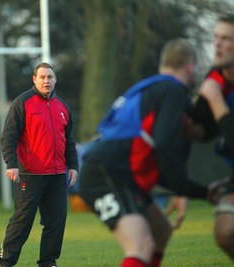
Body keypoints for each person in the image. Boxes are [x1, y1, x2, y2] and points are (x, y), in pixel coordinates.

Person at [78, 39, 221, 267]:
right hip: (106, 174)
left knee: (160, 231)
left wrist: (196, 191)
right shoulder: (173, 91)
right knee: (141, 244)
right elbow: (165, 145)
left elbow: (155, 152)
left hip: (114, 173)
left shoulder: (151, 87)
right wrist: (184, 185)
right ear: (190, 67)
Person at [0, 62, 78, 267]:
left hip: (58, 175)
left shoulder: (63, 107)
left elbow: (69, 140)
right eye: (42, 77)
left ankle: (48, 262)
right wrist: (11, 164)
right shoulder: (22, 103)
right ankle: (5, 262)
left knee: (56, 222)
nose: (46, 81)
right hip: (30, 174)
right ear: (34, 79)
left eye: (50, 77)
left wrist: (73, 165)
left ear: (55, 79)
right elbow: (8, 136)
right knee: (22, 222)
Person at [191, 14, 234, 260]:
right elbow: (206, 129)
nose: (217, 44)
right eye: (216, 37)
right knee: (226, 230)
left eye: (226, 39)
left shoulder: (216, 89)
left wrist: (216, 101)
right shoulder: (215, 77)